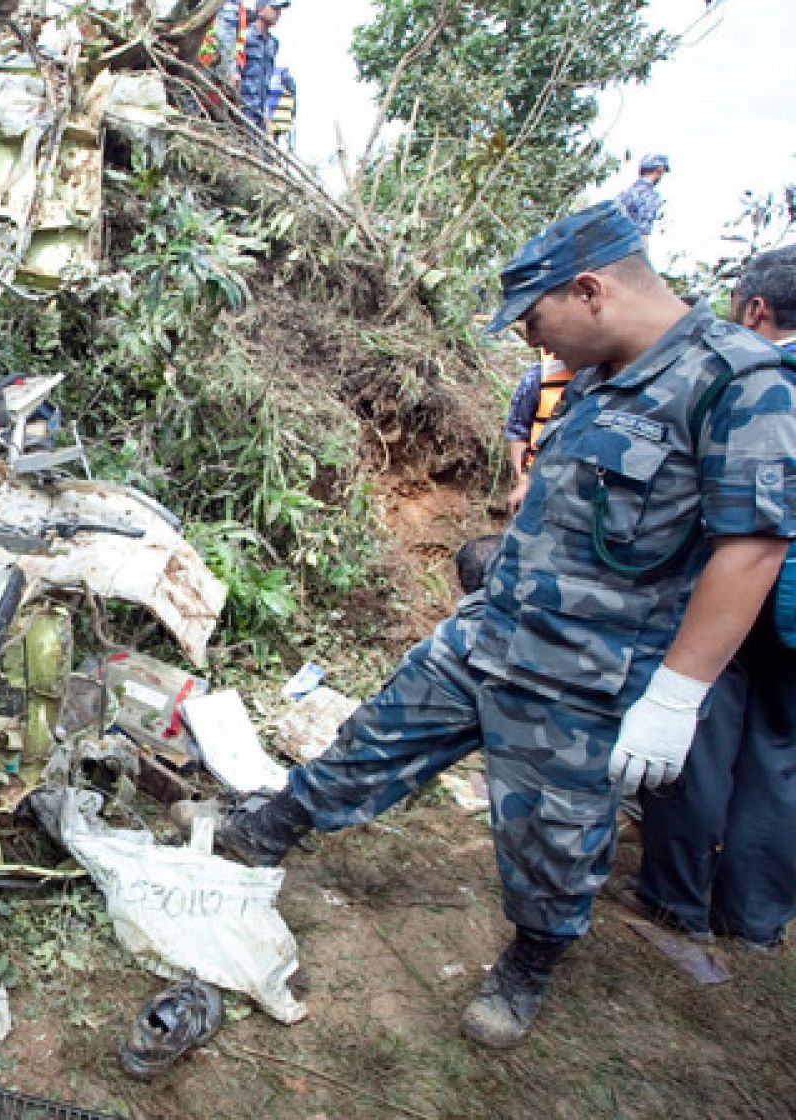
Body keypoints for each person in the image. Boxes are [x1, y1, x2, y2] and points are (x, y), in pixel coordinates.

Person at [218, 201, 796, 1048]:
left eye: (534, 319)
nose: (532, 342)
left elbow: (752, 547)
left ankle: (531, 958)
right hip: (492, 632)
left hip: (585, 676)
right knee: (376, 733)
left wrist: (675, 697)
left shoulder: (737, 384)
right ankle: (276, 824)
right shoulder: (602, 371)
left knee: (553, 842)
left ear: (590, 289)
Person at [616, 246, 796, 950]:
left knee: (699, 733)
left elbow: (747, 528)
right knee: (781, 757)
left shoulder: (757, 380)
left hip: (754, 596)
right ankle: (754, 919)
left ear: (756, 310)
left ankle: (675, 896)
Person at [502, 351, 574, 512]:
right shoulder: (539, 375)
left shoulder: (616, 376)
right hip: (540, 482)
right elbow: (518, 431)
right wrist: (523, 480)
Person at [208, 0, 289, 131]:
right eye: (274, 8)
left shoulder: (273, 43)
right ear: (261, 9)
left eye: (279, 10)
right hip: (241, 106)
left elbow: (267, 79)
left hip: (260, 111)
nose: (278, 13)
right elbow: (231, 67)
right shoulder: (243, 35)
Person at [615, 153, 670, 245]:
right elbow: (643, 230)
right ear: (660, 169)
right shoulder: (651, 195)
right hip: (630, 247)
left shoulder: (626, 192)